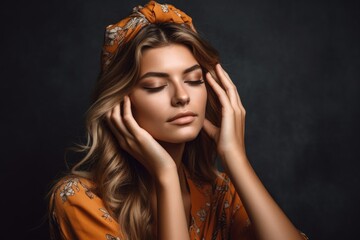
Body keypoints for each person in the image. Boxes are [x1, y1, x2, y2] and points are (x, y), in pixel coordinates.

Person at [48, 1, 309, 239]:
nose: (182, 96)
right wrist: (166, 176)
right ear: (119, 101)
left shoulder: (218, 193)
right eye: (155, 86)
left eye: (194, 80)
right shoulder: (80, 199)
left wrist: (235, 158)